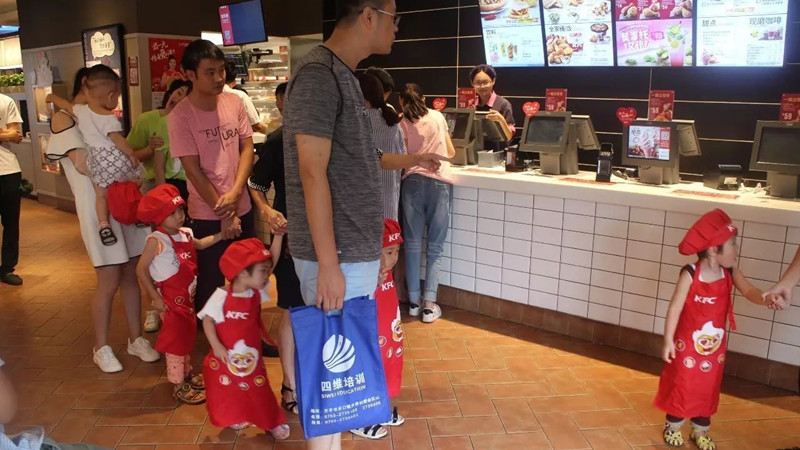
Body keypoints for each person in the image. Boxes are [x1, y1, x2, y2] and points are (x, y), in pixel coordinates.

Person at [282, 0, 398, 448]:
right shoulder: (318, 75)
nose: (396, 28)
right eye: (393, 17)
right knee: (332, 378)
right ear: (368, 15)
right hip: (336, 257)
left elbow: (354, 163)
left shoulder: (343, 75)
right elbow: (312, 173)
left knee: (341, 381)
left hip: (350, 253)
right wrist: (329, 264)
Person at [45, 68, 159, 373]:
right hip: (99, 212)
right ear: (88, 86)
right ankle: (102, 347)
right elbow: (83, 165)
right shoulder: (65, 119)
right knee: (108, 281)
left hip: (124, 203)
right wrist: (124, 163)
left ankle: (136, 339)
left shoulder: (100, 118)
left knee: (131, 274)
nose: (112, 99)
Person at [654, 209, 786, 450]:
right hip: (686, 346)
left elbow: (749, 291)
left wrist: (766, 298)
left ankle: (700, 429)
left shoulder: (730, 271)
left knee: (708, 385)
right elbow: (675, 307)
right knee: (683, 382)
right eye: (733, 245)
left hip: (714, 348)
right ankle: (673, 426)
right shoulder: (690, 274)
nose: (737, 250)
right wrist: (668, 340)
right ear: (714, 250)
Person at [169, 39, 256, 312]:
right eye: (210, 72)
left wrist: (236, 194)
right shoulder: (181, 116)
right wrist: (225, 212)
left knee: (249, 278)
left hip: (242, 207)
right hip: (207, 214)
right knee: (211, 285)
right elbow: (192, 170)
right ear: (190, 74)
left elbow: (247, 148)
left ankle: (247, 331)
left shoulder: (234, 101)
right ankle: (213, 336)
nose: (219, 78)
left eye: (221, 70)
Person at [136, 184, 228, 404]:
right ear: (159, 218)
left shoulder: (186, 234)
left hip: (187, 299)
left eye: (180, 210)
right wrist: (155, 297)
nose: (179, 216)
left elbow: (201, 244)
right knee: (176, 343)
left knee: (186, 337)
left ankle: (186, 374)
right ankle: (178, 385)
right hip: (169, 302)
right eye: (172, 213)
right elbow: (140, 269)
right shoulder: (156, 240)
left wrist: (221, 235)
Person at [197, 238, 289, 439]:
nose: (267, 275)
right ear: (243, 273)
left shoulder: (256, 292)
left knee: (259, 389)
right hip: (226, 359)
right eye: (262, 271)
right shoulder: (221, 295)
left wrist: (278, 237)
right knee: (230, 390)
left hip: (251, 360)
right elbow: (208, 321)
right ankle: (237, 416)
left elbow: (271, 263)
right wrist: (216, 346)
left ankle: (271, 421)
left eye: (267, 271)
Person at [248, 81, 301, 413]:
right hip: (292, 236)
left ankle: (315, 378)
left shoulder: (333, 137)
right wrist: (268, 212)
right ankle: (289, 385)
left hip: (328, 240)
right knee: (293, 310)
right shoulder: (279, 141)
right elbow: (256, 183)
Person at [50, 65, 142, 247]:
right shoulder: (107, 117)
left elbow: (66, 105)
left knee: (101, 195)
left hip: (96, 163)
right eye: (117, 97)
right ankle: (137, 214)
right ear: (110, 96)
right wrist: (131, 154)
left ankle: (103, 224)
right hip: (113, 160)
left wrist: (51, 97)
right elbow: (118, 140)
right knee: (134, 182)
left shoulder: (81, 113)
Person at [398, 83, 456, 324]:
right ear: (424, 98)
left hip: (411, 182)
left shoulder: (401, 122)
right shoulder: (438, 116)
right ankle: (429, 307)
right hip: (439, 182)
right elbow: (450, 152)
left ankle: (413, 303)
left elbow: (401, 156)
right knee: (435, 247)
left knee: (412, 245)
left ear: (401, 102)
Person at [357, 73, 443, 221]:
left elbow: (377, 156)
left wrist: (418, 160)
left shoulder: (354, 124)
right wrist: (418, 160)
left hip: (359, 208)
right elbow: (389, 157)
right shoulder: (393, 123)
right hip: (388, 203)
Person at [350, 219, 406, 440]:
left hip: (388, 332)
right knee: (367, 367)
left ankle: (379, 407)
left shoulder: (387, 272)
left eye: (396, 251)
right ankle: (359, 417)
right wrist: (372, 282)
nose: (393, 258)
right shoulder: (363, 274)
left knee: (388, 364)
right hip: (369, 334)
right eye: (388, 252)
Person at [127, 79, 192, 200]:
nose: (178, 99)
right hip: (152, 182)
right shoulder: (146, 119)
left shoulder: (190, 124)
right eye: (178, 93)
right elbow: (129, 156)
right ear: (171, 92)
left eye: (184, 99)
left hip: (186, 184)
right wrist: (149, 149)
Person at [0, 92, 24, 286]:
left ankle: (7, 268)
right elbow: (9, 134)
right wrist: (4, 133)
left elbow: (15, 135)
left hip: (8, 169)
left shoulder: (5, 101)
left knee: (11, 222)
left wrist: (8, 134)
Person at [223, 60, 269, 135]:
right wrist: (275, 132)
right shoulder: (240, 96)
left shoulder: (208, 94)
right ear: (234, 81)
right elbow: (257, 126)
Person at [470, 64, 515, 141]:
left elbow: (509, 136)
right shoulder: (471, 104)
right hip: (476, 147)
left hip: (498, 147)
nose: (482, 86)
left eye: (485, 82)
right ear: (472, 84)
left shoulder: (503, 104)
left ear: (493, 81)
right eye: (478, 82)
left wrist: (501, 120)